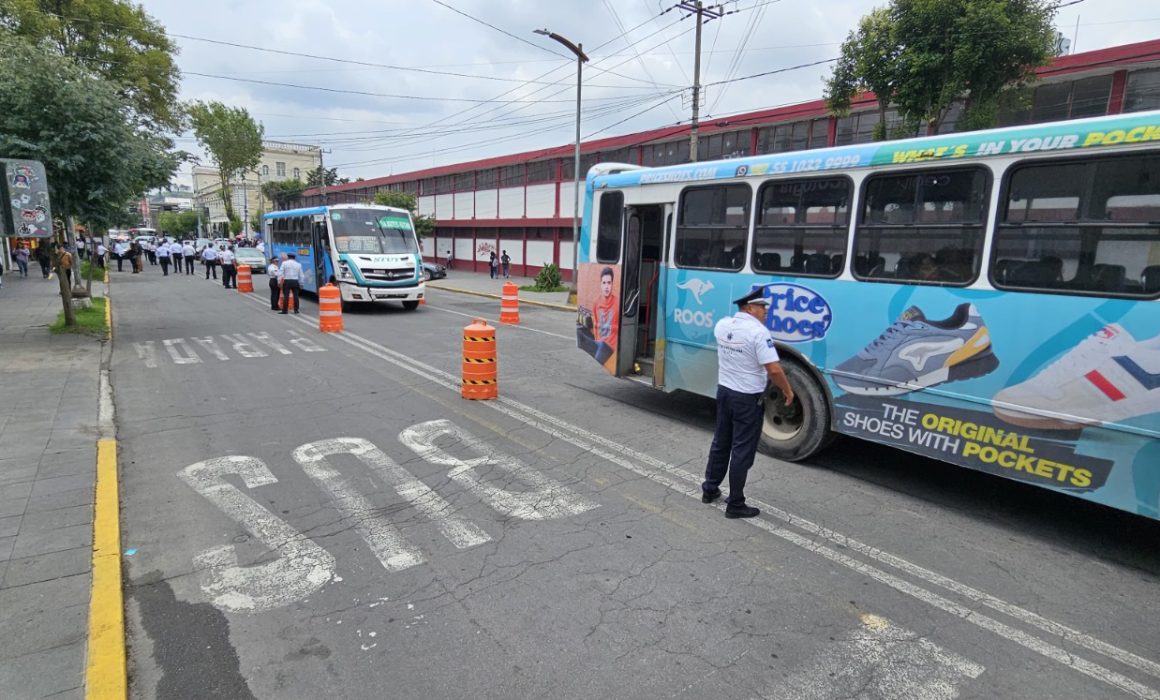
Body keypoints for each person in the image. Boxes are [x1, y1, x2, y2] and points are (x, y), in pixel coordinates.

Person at [701, 289, 795, 519]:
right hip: (747, 398)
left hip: (724, 392)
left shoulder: (723, 325)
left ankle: (709, 489)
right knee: (742, 450)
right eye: (762, 307)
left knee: (721, 442)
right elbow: (773, 368)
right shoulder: (758, 332)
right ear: (748, 308)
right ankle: (735, 504)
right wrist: (787, 390)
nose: (765, 311)